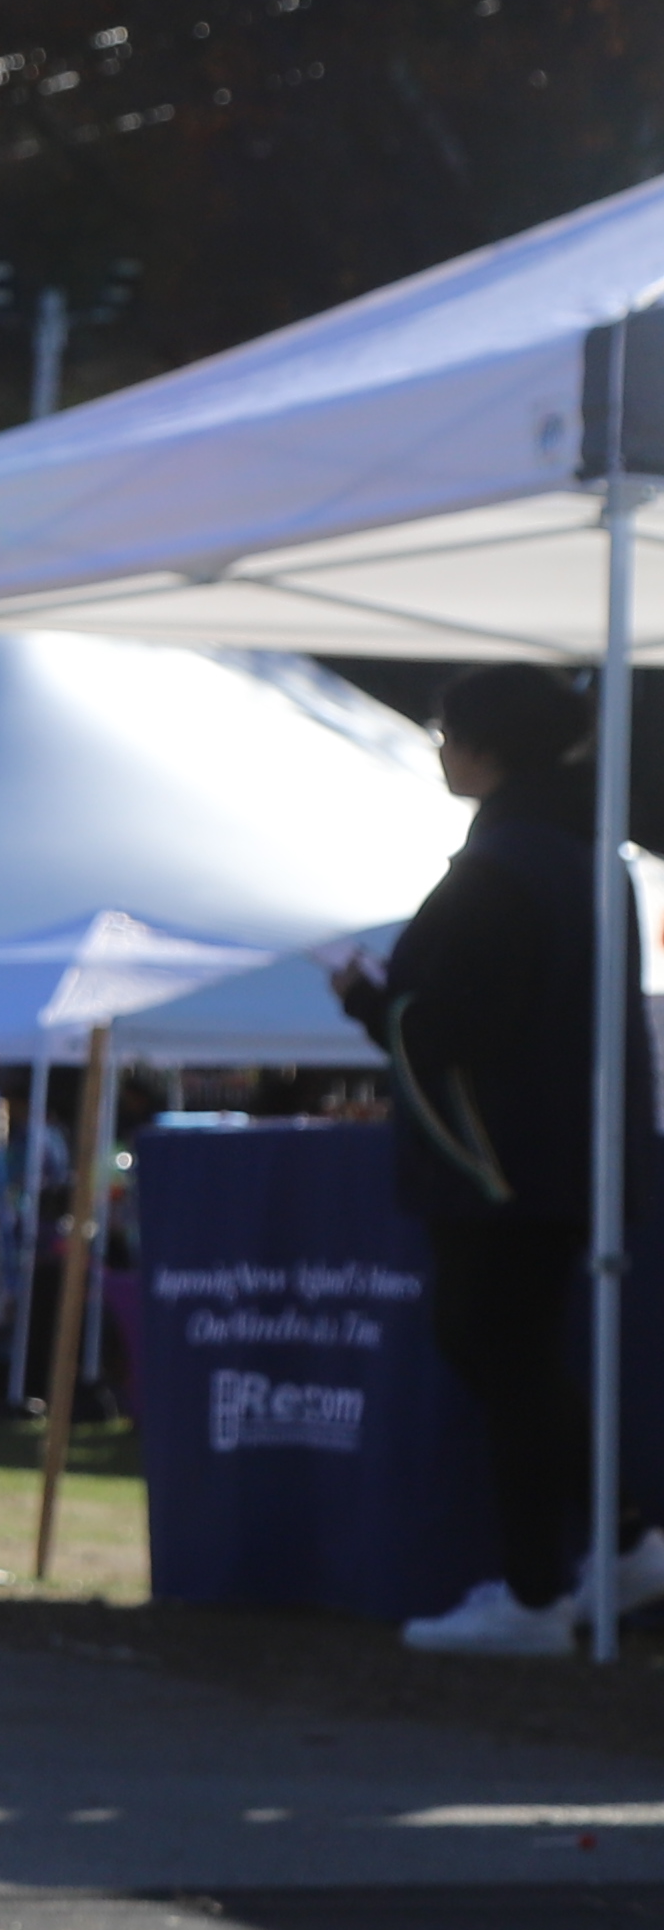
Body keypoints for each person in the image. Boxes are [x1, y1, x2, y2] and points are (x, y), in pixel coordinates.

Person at [334, 663, 664, 1653]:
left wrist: (368, 1000)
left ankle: (537, 1591)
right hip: (568, 1153)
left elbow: (451, 1023)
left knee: (501, 1353)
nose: (439, 747)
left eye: (448, 731)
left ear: (487, 748)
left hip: (495, 1158)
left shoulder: (504, 862)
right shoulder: (590, 854)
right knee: (514, 1355)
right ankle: (618, 1543)